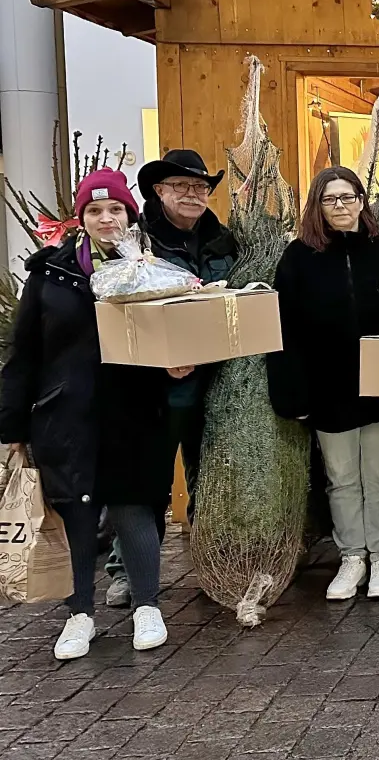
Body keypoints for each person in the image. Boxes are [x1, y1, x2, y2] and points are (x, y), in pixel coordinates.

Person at [0, 169, 179, 659]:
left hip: (134, 410)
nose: (106, 218)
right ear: (81, 219)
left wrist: (176, 370)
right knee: (76, 511)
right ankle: (80, 614)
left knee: (133, 505)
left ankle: (146, 605)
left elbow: (175, 338)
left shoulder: (154, 269)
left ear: (130, 215)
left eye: (115, 209)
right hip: (67, 414)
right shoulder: (48, 275)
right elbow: (24, 354)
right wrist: (12, 425)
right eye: (95, 211)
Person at [268, 167, 379, 601]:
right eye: (330, 199)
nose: (341, 206)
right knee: (341, 477)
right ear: (317, 205)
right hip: (327, 387)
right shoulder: (298, 257)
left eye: (348, 197)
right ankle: (353, 556)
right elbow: (285, 329)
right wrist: (291, 391)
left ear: (361, 200)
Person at [99, 149, 236, 608]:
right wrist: (160, 359)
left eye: (199, 187)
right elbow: (122, 316)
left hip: (213, 384)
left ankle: (209, 562)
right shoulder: (137, 245)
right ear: (159, 192)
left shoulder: (223, 240)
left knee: (207, 477)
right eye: (181, 187)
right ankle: (126, 570)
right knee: (147, 481)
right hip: (154, 389)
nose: (193, 195)